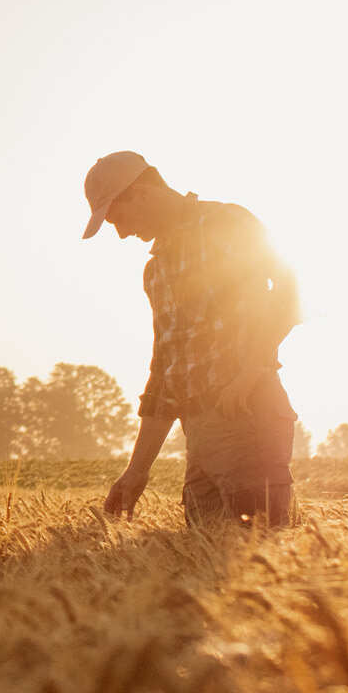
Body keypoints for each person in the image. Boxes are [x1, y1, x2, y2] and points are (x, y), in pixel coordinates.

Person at [82, 152, 302, 525]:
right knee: (205, 567)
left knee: (257, 560)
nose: (120, 233)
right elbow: (165, 374)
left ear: (143, 192)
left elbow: (289, 291)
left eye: (117, 218)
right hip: (198, 438)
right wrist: (137, 470)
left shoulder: (226, 223)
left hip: (247, 418)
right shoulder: (155, 271)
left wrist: (252, 369)